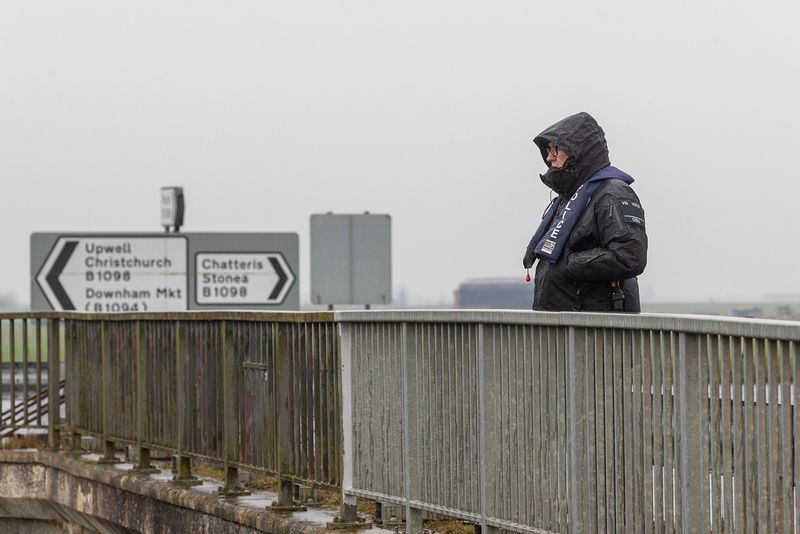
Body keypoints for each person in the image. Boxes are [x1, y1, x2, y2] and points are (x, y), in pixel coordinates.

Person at [522, 112, 647, 312]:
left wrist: (569, 264)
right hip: (561, 332)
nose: (549, 157)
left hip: (598, 334)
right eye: (547, 150)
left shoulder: (613, 193)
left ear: (577, 152)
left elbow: (629, 257)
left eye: (554, 149)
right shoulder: (568, 200)